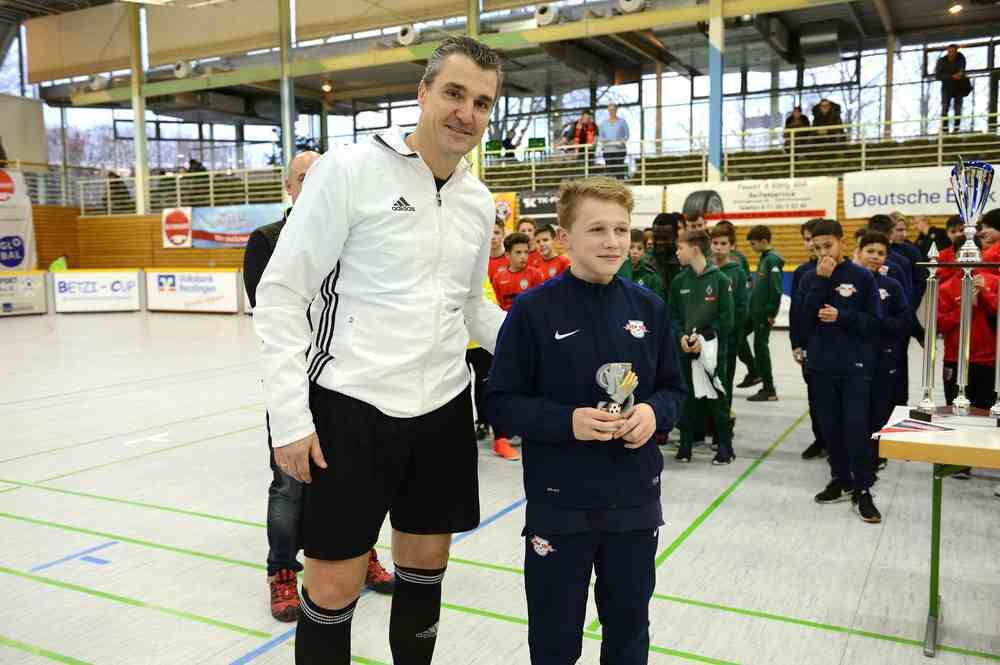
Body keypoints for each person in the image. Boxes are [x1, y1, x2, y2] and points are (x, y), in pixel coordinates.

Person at [252, 36, 507, 665]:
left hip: (445, 406)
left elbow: (473, 306)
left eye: (481, 102)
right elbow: (281, 295)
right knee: (334, 585)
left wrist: (552, 348)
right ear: (422, 93)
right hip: (351, 405)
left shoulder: (477, 200)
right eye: (453, 93)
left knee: (426, 569)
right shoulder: (348, 170)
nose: (466, 113)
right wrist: (289, 419)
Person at [484, 176, 686, 665]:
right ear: (564, 236)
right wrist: (566, 421)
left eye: (621, 229)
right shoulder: (532, 311)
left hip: (634, 503)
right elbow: (500, 402)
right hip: (561, 505)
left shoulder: (649, 308)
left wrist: (652, 413)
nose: (613, 241)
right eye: (597, 229)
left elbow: (675, 389)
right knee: (554, 641)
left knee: (629, 633)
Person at [245, 151, 394, 623]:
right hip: (296, 382)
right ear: (289, 187)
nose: (314, 184)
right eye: (303, 178)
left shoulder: (353, 235)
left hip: (350, 383)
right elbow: (275, 315)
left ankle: (360, 553)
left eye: (320, 176)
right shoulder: (268, 240)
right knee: (290, 485)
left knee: (357, 481)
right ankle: (283, 571)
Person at [801, 220, 883, 524]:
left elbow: (875, 322)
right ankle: (840, 478)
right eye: (817, 247)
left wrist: (842, 316)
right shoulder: (811, 277)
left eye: (828, 246)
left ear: (842, 242)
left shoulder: (861, 276)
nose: (824, 252)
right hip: (821, 366)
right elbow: (804, 320)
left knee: (855, 426)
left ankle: (863, 488)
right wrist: (822, 282)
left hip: (854, 366)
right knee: (830, 426)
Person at [671, 229, 735, 464]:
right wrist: (680, 336)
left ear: (695, 249)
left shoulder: (719, 279)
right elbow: (674, 315)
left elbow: (727, 318)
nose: (677, 252)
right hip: (686, 349)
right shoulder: (679, 281)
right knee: (686, 398)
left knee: (716, 398)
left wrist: (704, 339)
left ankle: (725, 446)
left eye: (680, 248)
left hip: (712, 351)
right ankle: (686, 444)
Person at [855, 231, 910, 474]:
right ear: (859, 252)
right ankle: (854, 453)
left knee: (879, 407)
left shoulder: (892, 285)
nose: (875, 257)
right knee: (855, 409)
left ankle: (877, 453)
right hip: (853, 358)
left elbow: (904, 321)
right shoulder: (848, 283)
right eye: (870, 251)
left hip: (882, 357)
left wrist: (877, 324)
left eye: (881, 253)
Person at [790, 219, 826, 460]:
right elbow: (796, 312)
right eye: (807, 239)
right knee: (815, 397)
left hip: (837, 348)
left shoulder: (847, 272)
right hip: (810, 346)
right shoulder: (803, 272)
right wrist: (796, 344)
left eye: (816, 240)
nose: (811, 245)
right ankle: (820, 439)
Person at [709, 224, 748, 445]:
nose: (719, 248)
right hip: (706, 338)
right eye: (715, 243)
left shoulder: (737, 272)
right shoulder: (705, 270)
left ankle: (722, 427)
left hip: (728, 339)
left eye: (724, 244)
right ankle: (705, 424)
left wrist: (732, 331)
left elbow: (742, 306)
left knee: (725, 382)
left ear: (732, 246)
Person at [746, 225, 784, 402]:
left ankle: (769, 389)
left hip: (763, 314)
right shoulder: (764, 259)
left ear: (763, 241)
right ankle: (754, 373)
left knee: (761, 348)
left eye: (753, 244)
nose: (752, 247)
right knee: (740, 337)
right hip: (754, 312)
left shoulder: (772, 260)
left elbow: (776, 289)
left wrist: (771, 312)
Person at [493, 232, 546, 311]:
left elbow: (540, 304)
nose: (523, 256)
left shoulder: (536, 275)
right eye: (518, 252)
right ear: (507, 255)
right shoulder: (498, 278)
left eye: (526, 252)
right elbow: (498, 306)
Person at [646, 212, 683, 303]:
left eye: (665, 238)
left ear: (676, 236)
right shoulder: (644, 263)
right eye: (656, 238)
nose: (659, 242)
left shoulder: (685, 263)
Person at [618, 228, 665, 299]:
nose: (635, 252)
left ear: (645, 250)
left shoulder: (651, 276)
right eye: (631, 247)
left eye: (639, 248)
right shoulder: (616, 272)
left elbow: (657, 302)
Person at [935, 44, 969, 133]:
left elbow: (962, 70)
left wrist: (960, 74)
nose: (951, 54)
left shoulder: (961, 58)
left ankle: (956, 129)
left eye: (953, 52)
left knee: (958, 109)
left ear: (956, 52)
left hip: (959, 86)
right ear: (947, 51)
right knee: (945, 108)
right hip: (946, 87)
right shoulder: (942, 61)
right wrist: (951, 76)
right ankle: (945, 130)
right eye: (950, 52)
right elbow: (938, 76)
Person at [599, 103, 630, 177]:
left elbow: (627, 135)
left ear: (616, 110)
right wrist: (604, 141)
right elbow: (601, 137)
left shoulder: (622, 122)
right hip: (608, 151)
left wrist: (622, 141)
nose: (611, 112)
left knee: (619, 172)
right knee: (609, 172)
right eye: (610, 110)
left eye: (613, 110)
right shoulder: (603, 123)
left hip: (619, 150)